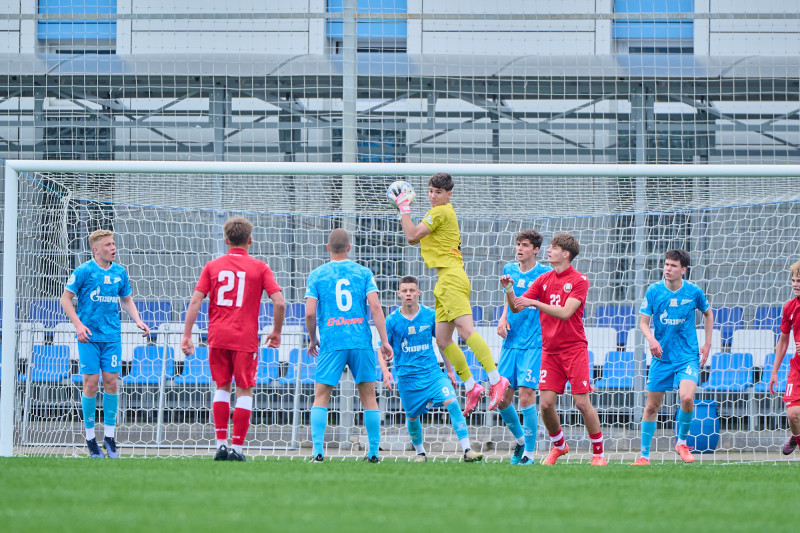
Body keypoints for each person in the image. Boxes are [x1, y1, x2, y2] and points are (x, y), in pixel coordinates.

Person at [390, 172, 509, 416]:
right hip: (444, 279)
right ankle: (471, 386)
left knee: (466, 331)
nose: (433, 196)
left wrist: (403, 207)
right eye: (431, 192)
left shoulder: (440, 211)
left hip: (452, 278)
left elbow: (412, 236)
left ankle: (496, 381)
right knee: (443, 340)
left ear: (449, 195)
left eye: (438, 193)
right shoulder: (441, 212)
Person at [181, 217, 285, 462]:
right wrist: (277, 330)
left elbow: (196, 301)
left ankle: (220, 445)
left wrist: (187, 334)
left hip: (217, 336)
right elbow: (279, 302)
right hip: (244, 338)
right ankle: (237, 449)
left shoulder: (212, 266)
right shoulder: (260, 267)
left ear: (226, 240)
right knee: (245, 390)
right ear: (250, 240)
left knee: (221, 387)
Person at [512, 232, 606, 466]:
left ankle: (598, 454)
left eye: (553, 248)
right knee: (545, 404)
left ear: (565, 254)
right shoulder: (543, 279)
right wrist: (508, 290)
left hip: (574, 349)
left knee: (582, 403)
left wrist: (534, 302)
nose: (548, 250)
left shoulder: (579, 280)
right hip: (550, 351)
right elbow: (517, 307)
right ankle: (559, 446)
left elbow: (565, 313)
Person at [60, 229, 150, 459]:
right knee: (90, 385)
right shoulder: (84, 271)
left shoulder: (120, 272)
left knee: (111, 383)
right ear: (96, 249)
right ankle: (90, 438)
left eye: (114, 244)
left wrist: (138, 320)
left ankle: (109, 438)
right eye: (108, 245)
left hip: (111, 337)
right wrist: (79, 326)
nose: (113, 248)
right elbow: (65, 299)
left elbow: (126, 299)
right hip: (88, 337)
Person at [305, 228, 393, 463]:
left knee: (321, 395)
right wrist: (384, 341)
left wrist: (313, 338)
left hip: (332, 341)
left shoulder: (317, 274)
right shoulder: (363, 272)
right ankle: (373, 453)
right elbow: (375, 307)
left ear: (327, 247)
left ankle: (318, 452)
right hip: (360, 341)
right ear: (349, 248)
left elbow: (310, 313)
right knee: (369, 396)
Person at [384, 275, 483, 462]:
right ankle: (420, 453)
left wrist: (450, 370)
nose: (408, 294)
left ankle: (467, 450)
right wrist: (385, 371)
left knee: (452, 403)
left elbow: (442, 343)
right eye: (404, 291)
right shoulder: (391, 321)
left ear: (418, 293)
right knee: (412, 417)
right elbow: (383, 349)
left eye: (412, 290)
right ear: (398, 294)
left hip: (432, 373)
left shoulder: (430, 315)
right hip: (407, 377)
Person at [631, 249, 713, 465]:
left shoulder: (693, 292)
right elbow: (643, 323)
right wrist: (651, 339)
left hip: (687, 356)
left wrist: (707, 343)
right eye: (666, 264)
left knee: (686, 398)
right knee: (651, 407)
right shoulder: (654, 291)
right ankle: (644, 455)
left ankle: (682, 442)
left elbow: (708, 312)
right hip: (661, 357)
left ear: (683, 270)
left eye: (673, 265)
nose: (668, 268)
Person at [497, 229, 551, 465]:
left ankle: (529, 452)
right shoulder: (509, 270)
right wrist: (502, 318)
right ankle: (520, 441)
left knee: (527, 396)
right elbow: (509, 301)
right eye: (518, 244)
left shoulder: (546, 273)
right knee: (501, 399)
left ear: (536, 249)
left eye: (525, 245)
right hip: (511, 341)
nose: (520, 248)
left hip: (534, 343)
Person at [768, 259, 800, 457]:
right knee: (793, 414)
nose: (795, 284)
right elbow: (783, 341)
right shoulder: (789, 307)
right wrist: (774, 372)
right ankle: (797, 438)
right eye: (794, 280)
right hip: (797, 368)